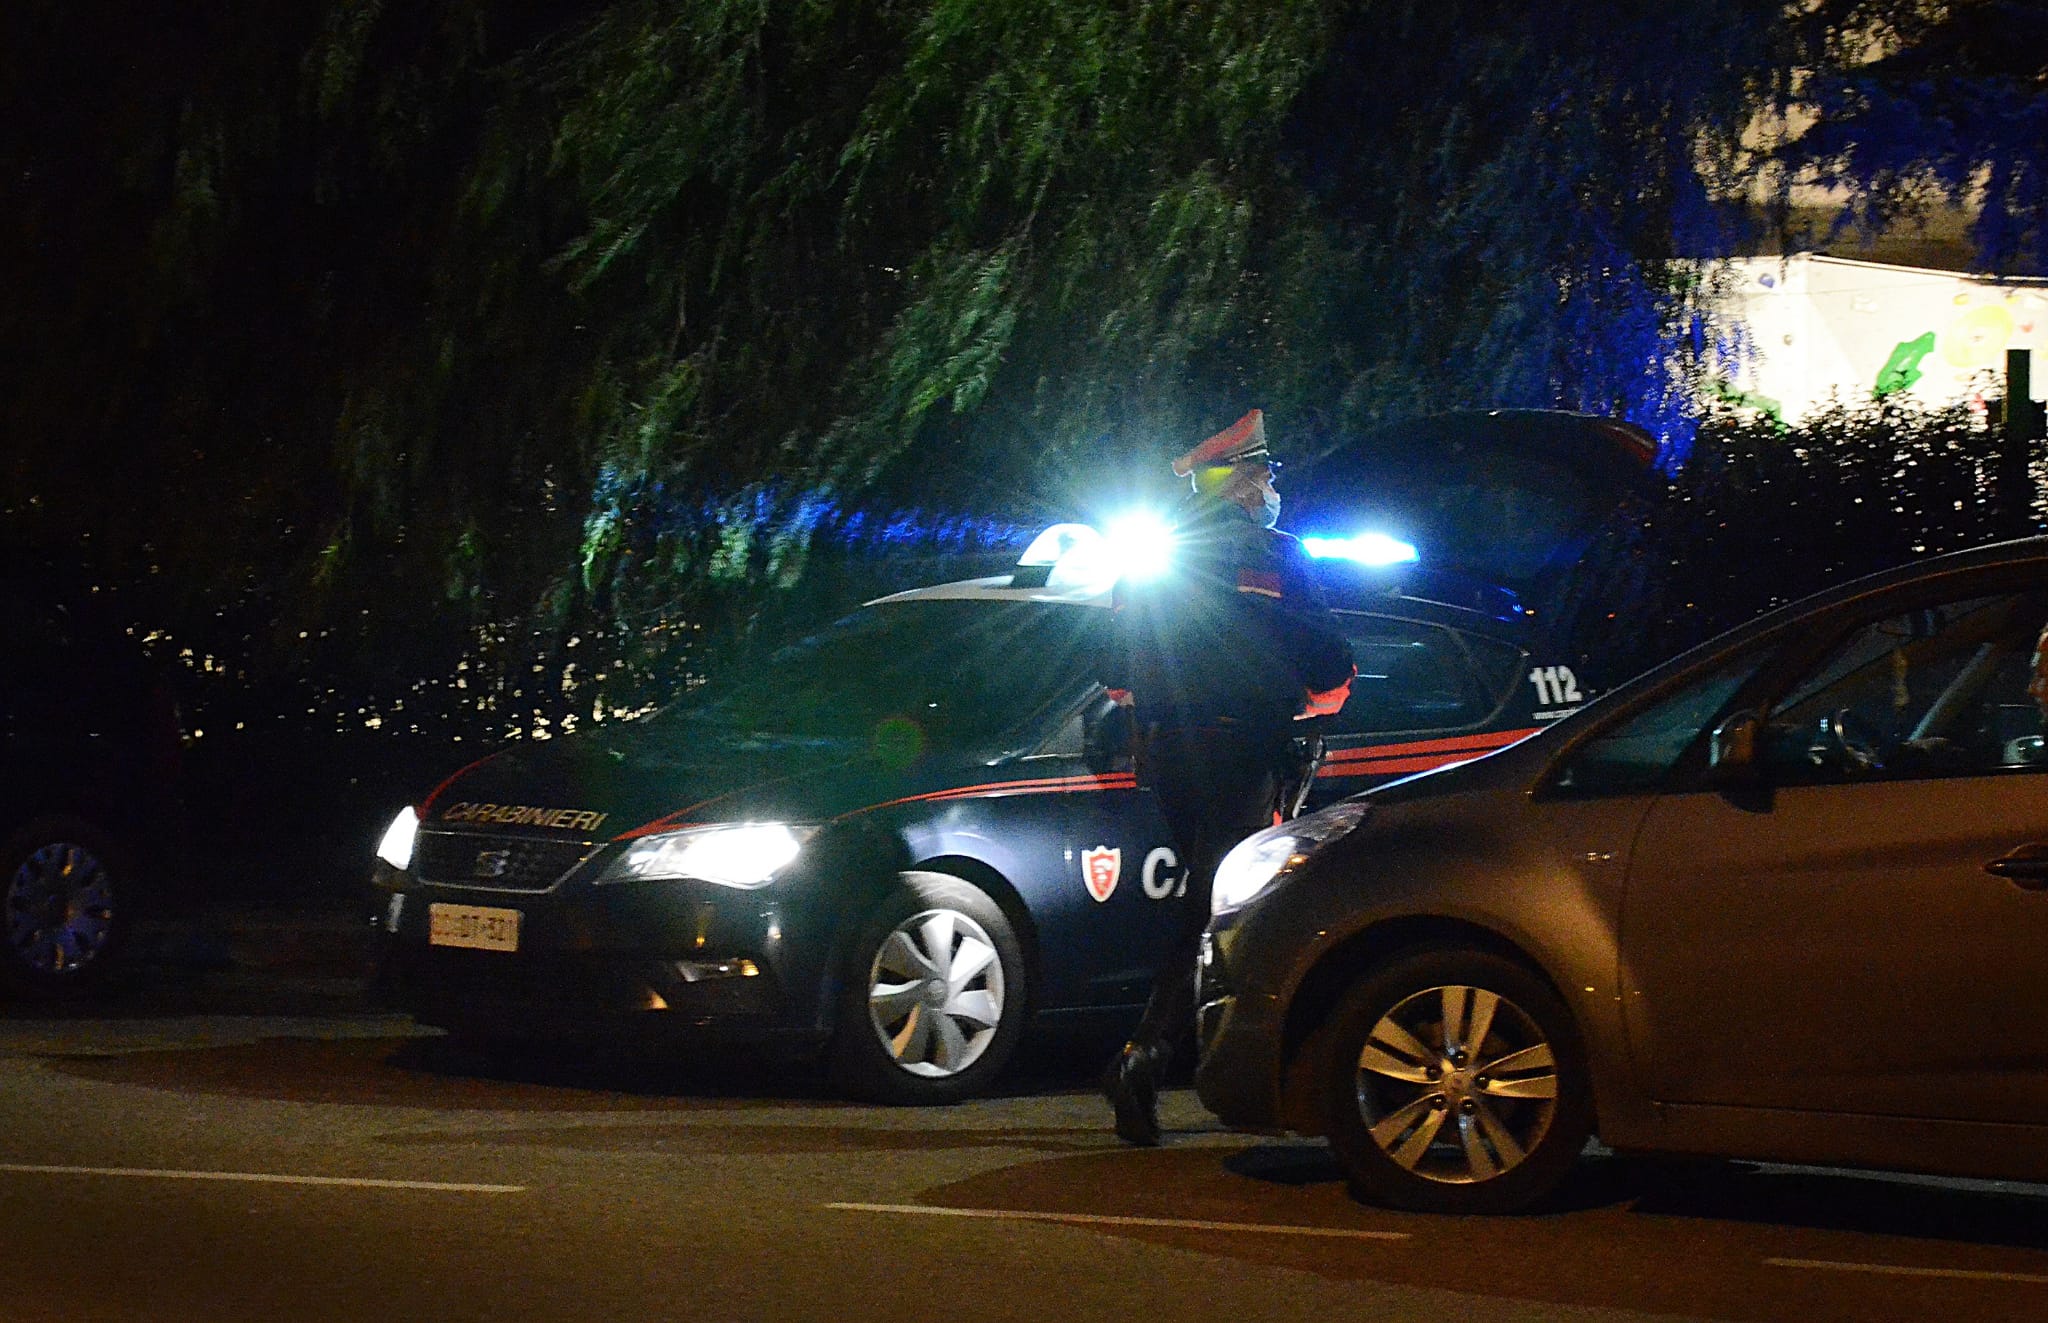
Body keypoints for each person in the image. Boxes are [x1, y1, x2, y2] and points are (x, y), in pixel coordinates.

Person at [1099, 408, 1355, 1145]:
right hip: (1249, 753)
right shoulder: (1277, 557)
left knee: (1210, 895)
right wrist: (1309, 704)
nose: (1271, 486)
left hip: (1172, 756)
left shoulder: (1155, 566)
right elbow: (1332, 666)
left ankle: (1181, 1055)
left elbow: (1112, 669)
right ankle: (1151, 1054)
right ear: (1240, 478)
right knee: (1222, 904)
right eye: (1264, 472)